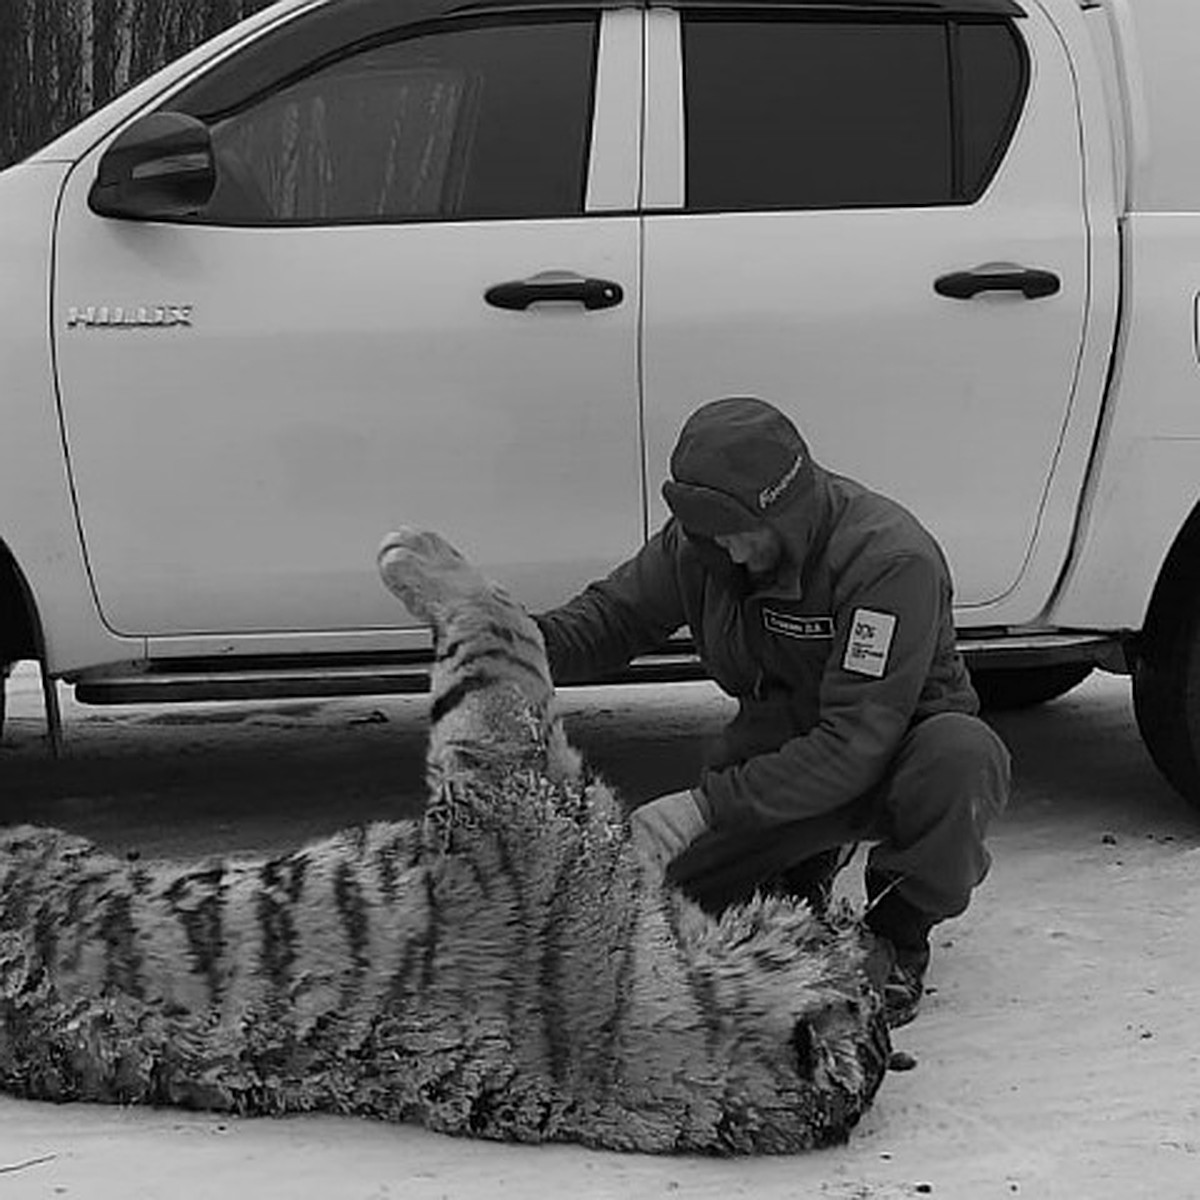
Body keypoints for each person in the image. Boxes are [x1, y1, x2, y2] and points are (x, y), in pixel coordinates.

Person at [535, 396, 1011, 1028]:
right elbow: (613, 618)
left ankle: (899, 931)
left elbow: (852, 744)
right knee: (646, 902)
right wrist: (505, 640)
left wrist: (700, 807)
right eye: (710, 534)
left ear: (786, 509)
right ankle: (797, 864)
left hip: (892, 757)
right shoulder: (703, 544)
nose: (727, 551)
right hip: (777, 760)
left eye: (738, 531)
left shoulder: (888, 561)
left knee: (960, 757)